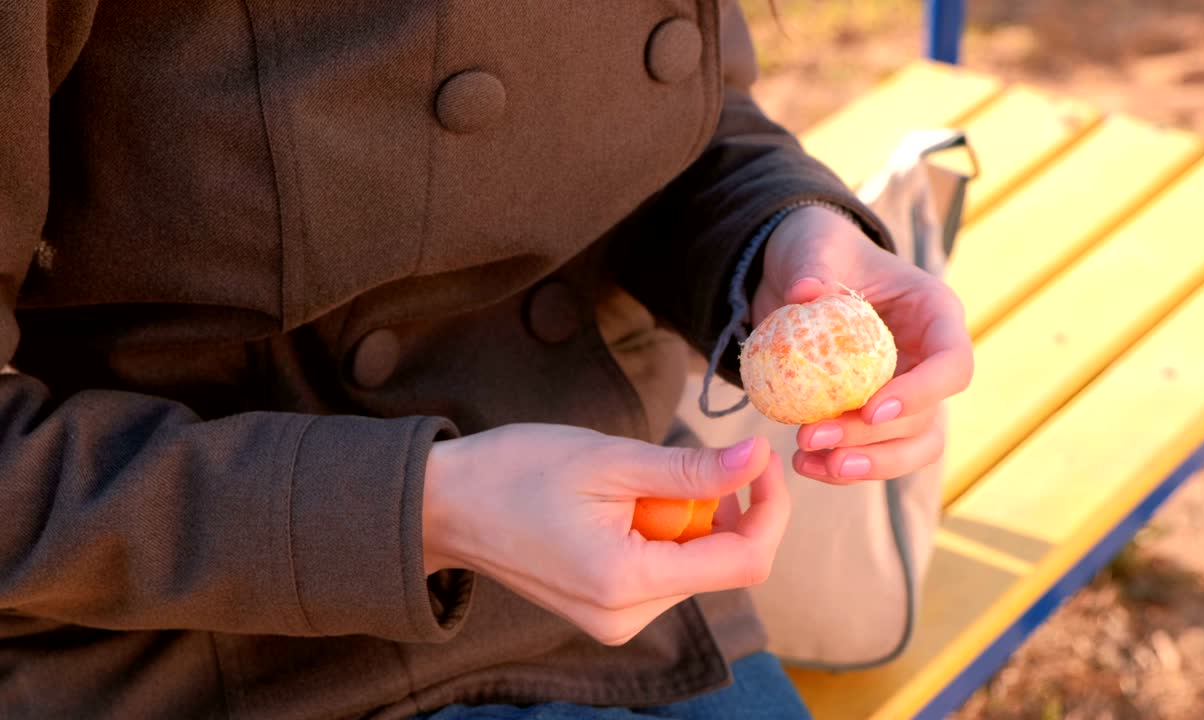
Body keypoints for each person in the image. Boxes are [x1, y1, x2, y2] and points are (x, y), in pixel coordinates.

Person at [0, 2, 973, 718]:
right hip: (184, 650)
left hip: (627, 583)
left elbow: (671, 116)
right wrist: (429, 507)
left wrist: (778, 238)